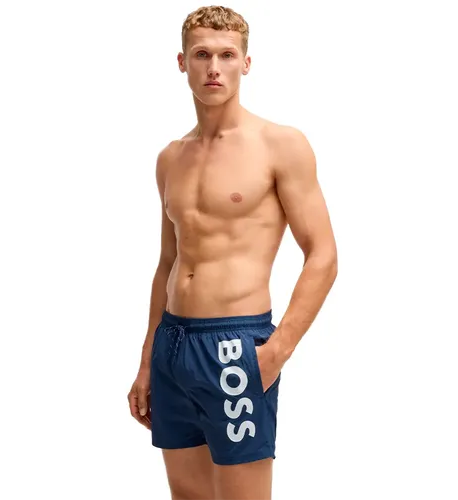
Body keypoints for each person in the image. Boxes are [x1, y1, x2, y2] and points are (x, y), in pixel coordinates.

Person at [127, 5, 338, 500]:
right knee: (188, 496)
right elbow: (167, 263)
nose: (214, 67)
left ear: (246, 63)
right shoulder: (170, 158)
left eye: (226, 55)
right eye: (202, 55)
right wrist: (147, 360)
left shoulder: (280, 145)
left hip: (234, 345)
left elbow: (323, 255)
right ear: (182, 62)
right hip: (173, 343)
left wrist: (276, 352)